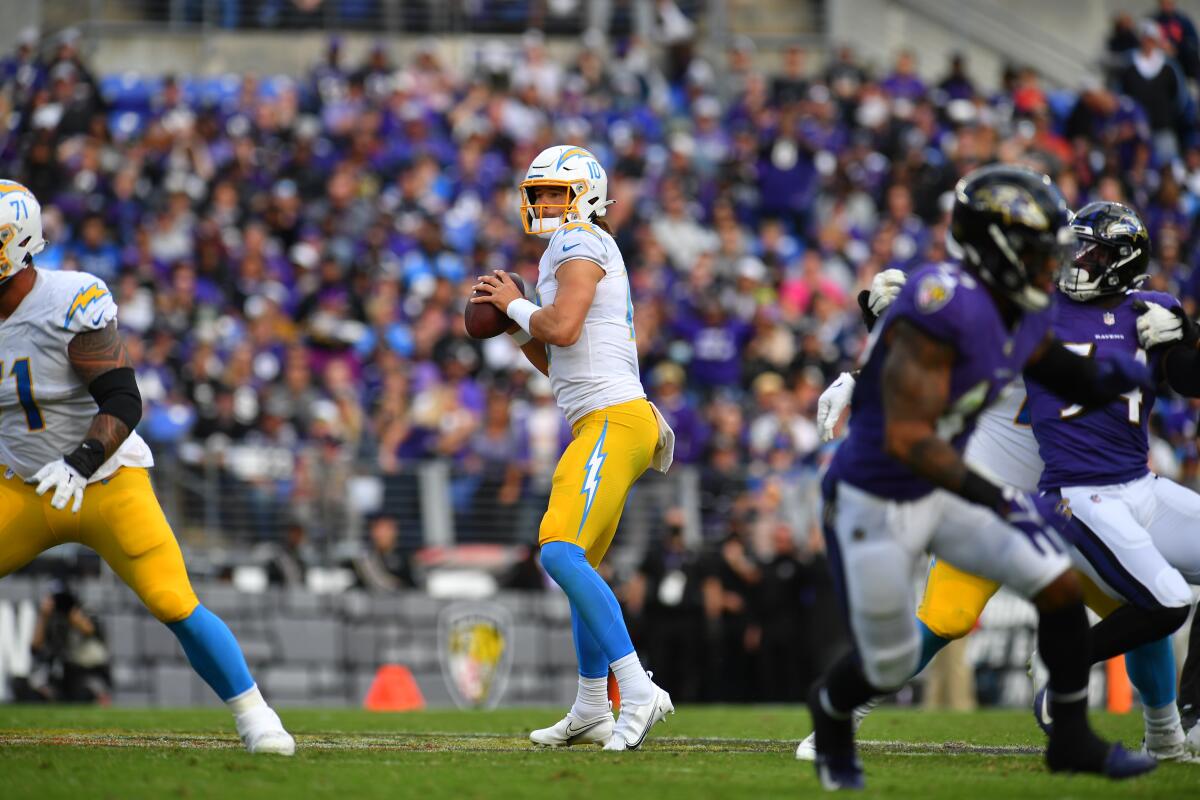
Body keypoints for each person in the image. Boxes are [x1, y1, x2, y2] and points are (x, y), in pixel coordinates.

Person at [803, 201, 1198, 763]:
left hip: (1081, 506)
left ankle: (1165, 734)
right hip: (994, 504)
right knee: (946, 618)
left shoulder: (1095, 313)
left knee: (1143, 611)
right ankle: (841, 713)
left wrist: (1184, 330)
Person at [0, 181, 293, 754]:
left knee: (171, 600)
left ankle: (257, 717)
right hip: (21, 484)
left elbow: (123, 399)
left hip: (104, 478)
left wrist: (81, 461)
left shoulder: (68, 298)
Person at [471, 144, 675, 751]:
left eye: (555, 192)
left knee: (558, 553)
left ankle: (636, 688)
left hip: (613, 419)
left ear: (586, 193)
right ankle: (591, 707)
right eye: (537, 193)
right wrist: (515, 323)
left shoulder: (577, 239)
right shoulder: (570, 249)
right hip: (605, 421)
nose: (543, 204)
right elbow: (557, 356)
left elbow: (559, 328)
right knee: (578, 562)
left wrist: (511, 304)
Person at [21, 584, 111, 703]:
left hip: (89, 669)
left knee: (84, 694)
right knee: (34, 692)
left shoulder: (86, 612)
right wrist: (43, 617)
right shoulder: (51, 619)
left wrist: (74, 616)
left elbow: (91, 631)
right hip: (63, 672)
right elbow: (35, 648)